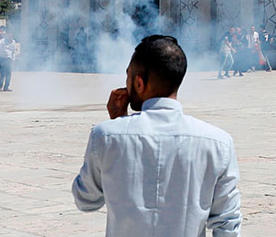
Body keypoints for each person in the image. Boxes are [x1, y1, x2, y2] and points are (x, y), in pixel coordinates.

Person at [71, 35, 242, 236]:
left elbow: (86, 200)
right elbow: (228, 225)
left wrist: (116, 126)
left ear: (139, 83)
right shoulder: (218, 143)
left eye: (128, 77)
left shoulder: (106, 136)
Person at [0, 27, 20, 91]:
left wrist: (13, 58)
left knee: (8, 74)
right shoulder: (2, 41)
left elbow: (13, 51)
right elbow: (0, 50)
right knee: (2, 74)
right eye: (9, 35)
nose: (10, 37)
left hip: (8, 59)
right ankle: (0, 87)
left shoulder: (13, 42)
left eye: (11, 35)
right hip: (2, 59)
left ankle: (6, 87)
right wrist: (3, 57)